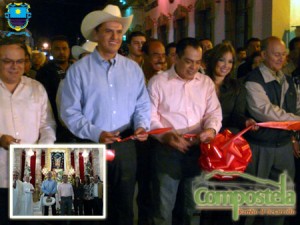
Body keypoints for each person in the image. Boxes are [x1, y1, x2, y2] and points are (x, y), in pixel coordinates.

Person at [59, 4, 150, 224]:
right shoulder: (79, 70)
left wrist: (142, 125)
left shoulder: (132, 69)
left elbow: (142, 104)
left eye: (119, 32)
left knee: (124, 206)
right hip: (89, 146)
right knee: (90, 208)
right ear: (97, 34)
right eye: (108, 31)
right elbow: (69, 112)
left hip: (125, 143)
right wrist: (96, 133)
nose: (115, 36)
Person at [148, 37, 222, 225]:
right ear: (176, 58)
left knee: (193, 207)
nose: (193, 67)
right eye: (188, 61)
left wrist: (211, 130)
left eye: (198, 62)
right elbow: (149, 118)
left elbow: (213, 112)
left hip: (198, 150)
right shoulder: (158, 82)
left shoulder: (205, 83)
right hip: (168, 150)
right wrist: (165, 135)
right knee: (164, 208)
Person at [244, 36, 300, 225]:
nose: (280, 58)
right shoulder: (253, 80)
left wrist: (293, 136)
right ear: (264, 54)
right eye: (276, 54)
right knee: (252, 196)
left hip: (283, 146)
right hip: (261, 146)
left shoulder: (288, 80)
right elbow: (266, 112)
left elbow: (296, 107)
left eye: (283, 54)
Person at [0, 37, 56, 224]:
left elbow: (47, 125)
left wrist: (41, 150)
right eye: (7, 61)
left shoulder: (36, 89)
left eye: (20, 61)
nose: (14, 66)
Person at [36, 35, 74, 143]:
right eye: (57, 49)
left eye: (64, 48)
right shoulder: (44, 72)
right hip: (55, 124)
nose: (61, 52)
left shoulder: (76, 69)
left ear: (69, 50)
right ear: (51, 51)